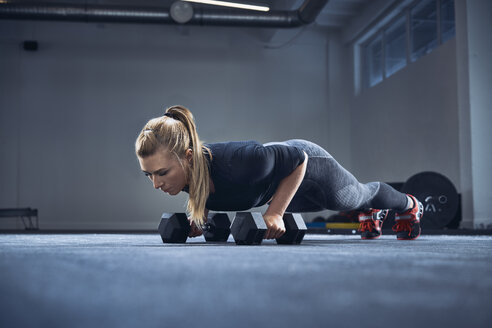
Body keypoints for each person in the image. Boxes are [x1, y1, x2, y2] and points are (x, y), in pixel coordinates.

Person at [135, 105, 423, 241]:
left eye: (161, 173)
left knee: (355, 196)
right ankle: (369, 213)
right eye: (149, 175)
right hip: (275, 185)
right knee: (334, 204)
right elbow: (207, 190)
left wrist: (273, 214)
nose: (156, 184)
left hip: (308, 165)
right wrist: (200, 217)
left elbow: (298, 159)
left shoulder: (240, 162)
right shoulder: (186, 175)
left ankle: (410, 205)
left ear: (187, 158)